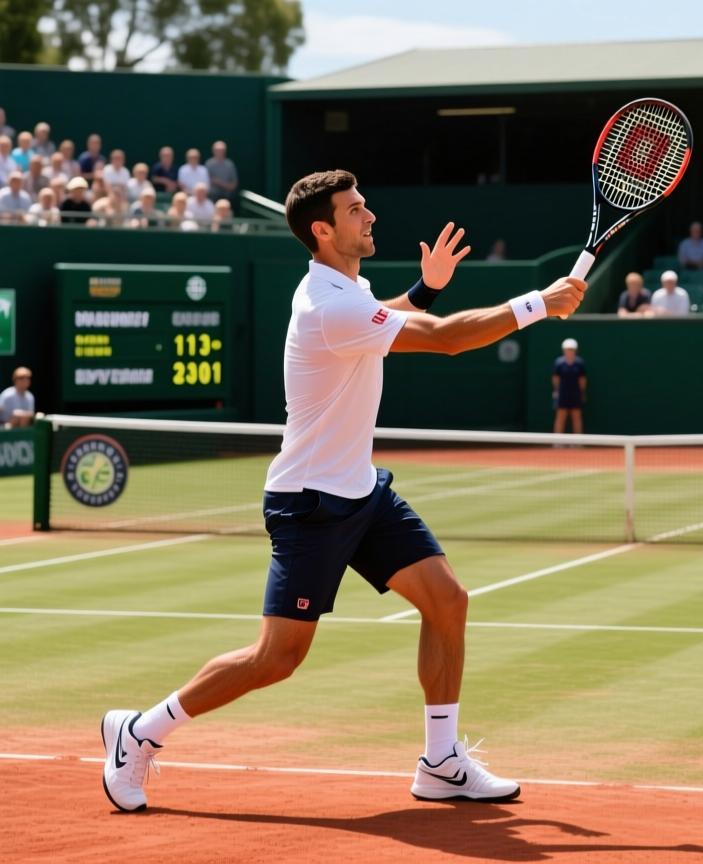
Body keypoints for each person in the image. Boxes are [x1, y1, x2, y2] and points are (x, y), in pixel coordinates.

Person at [99, 168, 586, 813]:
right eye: (357, 211)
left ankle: (441, 762)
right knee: (276, 659)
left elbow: (390, 320)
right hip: (311, 504)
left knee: (447, 601)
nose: (371, 217)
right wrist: (538, 303)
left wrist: (424, 288)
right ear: (323, 230)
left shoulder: (348, 292)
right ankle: (140, 732)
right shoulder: (329, 304)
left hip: (362, 491)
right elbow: (441, 341)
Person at [552, 338, 587, 434]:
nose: (570, 351)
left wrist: (582, 393)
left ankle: (578, 443)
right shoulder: (559, 363)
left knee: (577, 417)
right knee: (560, 417)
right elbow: (555, 379)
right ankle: (557, 442)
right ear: (564, 350)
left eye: (572, 349)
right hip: (562, 394)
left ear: (575, 350)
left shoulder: (579, 363)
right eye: (568, 349)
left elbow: (582, 380)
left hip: (575, 393)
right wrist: (556, 391)